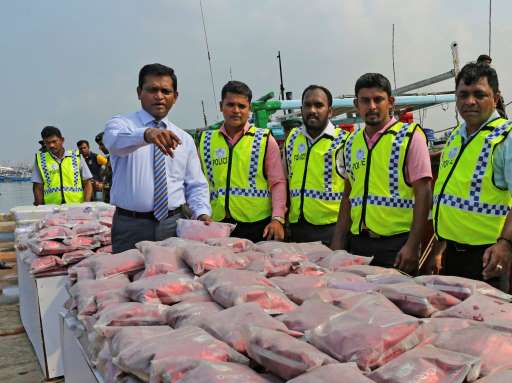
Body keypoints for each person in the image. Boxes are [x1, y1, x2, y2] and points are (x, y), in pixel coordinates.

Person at [431, 62, 512, 292]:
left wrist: (505, 243)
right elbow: (448, 196)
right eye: (463, 95)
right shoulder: (455, 138)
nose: (470, 101)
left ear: (496, 98)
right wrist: (439, 248)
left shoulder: (509, 137)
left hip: (487, 255)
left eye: (479, 94)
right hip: (452, 254)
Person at [103, 63, 211, 253]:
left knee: (174, 281)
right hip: (130, 226)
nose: (159, 96)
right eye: (152, 89)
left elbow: (195, 184)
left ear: (175, 97)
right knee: (128, 280)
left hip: (173, 225)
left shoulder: (184, 139)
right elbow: (113, 142)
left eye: (165, 91)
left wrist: (202, 213)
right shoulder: (121, 125)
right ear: (139, 92)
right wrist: (145, 135)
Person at [331, 73, 432, 272]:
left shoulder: (410, 137)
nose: (372, 106)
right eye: (365, 100)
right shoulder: (351, 142)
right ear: (356, 104)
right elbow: (348, 195)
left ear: (390, 102)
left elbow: (424, 193)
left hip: (396, 245)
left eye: (378, 99)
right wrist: (338, 241)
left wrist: (412, 245)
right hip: (358, 244)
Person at [198, 80, 286, 242]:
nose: (236, 110)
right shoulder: (206, 140)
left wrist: (277, 218)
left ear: (249, 109)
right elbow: (199, 183)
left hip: (256, 225)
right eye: (230, 105)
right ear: (220, 106)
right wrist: (200, 212)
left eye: (242, 106)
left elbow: (278, 182)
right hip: (217, 223)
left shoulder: (264, 140)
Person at [284, 85, 350, 245]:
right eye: (307, 105)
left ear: (330, 111)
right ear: (301, 109)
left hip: (331, 231)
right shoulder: (292, 139)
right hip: (297, 230)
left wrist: (339, 238)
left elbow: (353, 191)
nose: (312, 110)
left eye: (319, 105)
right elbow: (286, 180)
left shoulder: (345, 142)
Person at [32, 126, 94, 205]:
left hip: (76, 206)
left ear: (62, 140)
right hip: (51, 208)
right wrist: (39, 208)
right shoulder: (40, 160)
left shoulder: (76, 157)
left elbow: (87, 183)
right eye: (47, 142)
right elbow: (38, 187)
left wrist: (86, 204)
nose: (51, 145)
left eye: (54, 141)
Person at [95, 132, 112, 203]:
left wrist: (104, 185)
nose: (100, 148)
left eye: (101, 144)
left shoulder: (120, 159)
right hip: (108, 200)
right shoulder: (109, 159)